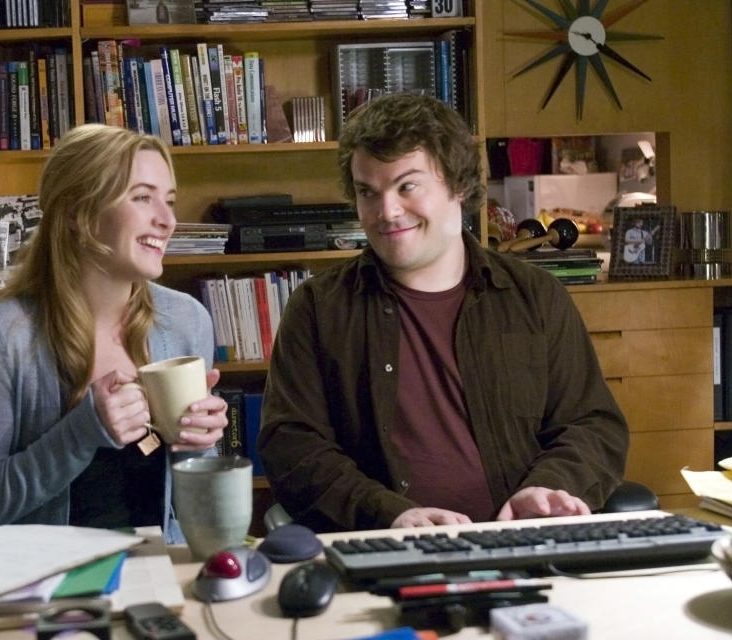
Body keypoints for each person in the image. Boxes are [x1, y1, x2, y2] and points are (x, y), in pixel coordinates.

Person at [257, 93, 628, 533]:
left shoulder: (536, 297)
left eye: (407, 186)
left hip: (521, 543)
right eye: (367, 192)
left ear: (459, 185)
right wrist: (388, 511)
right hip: (384, 548)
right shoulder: (319, 309)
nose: (386, 211)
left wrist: (548, 489)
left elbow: (592, 426)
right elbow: (292, 447)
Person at [0, 124, 227, 542]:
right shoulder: (1, 336)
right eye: (142, 197)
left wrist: (199, 446)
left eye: (169, 201)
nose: (168, 220)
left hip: (161, 576)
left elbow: (196, 512)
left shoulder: (187, 321)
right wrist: (80, 434)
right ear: (79, 214)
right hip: (46, 588)